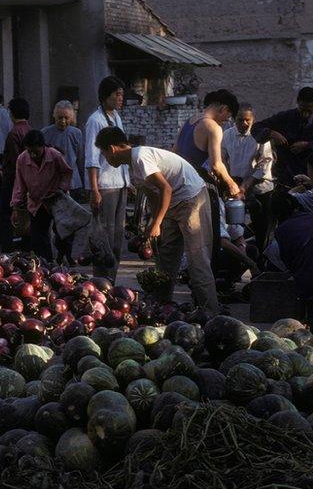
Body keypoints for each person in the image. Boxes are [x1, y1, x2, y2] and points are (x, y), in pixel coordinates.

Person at [95, 127, 220, 313]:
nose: (105, 158)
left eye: (104, 153)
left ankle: (211, 314)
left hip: (191, 199)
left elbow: (166, 189)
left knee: (198, 263)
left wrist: (157, 223)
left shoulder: (139, 157)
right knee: (165, 260)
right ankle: (162, 308)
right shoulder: (134, 167)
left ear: (112, 149)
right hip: (172, 204)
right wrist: (152, 224)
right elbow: (154, 197)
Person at [83, 77, 131, 280]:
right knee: (104, 237)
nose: (120, 98)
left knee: (118, 237)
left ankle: (112, 280)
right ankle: (101, 282)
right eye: (116, 94)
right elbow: (92, 158)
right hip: (104, 185)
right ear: (105, 97)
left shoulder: (117, 117)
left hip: (120, 183)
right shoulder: (95, 120)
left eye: (122, 94)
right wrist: (94, 190)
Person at [251, 87, 313, 185]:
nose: (305, 115)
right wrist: (271, 133)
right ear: (297, 102)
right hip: (288, 173)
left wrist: (308, 145)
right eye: (302, 110)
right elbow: (256, 127)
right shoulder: (285, 117)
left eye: (309, 111)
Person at [12, 130, 73, 261]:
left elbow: (67, 173)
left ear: (43, 147)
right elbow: (19, 184)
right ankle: (47, 264)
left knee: (63, 234)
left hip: (56, 200)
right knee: (39, 238)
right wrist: (16, 206)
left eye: (36, 152)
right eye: (30, 152)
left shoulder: (55, 155)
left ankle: (64, 256)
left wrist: (61, 189)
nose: (33, 155)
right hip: (36, 203)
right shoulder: (22, 159)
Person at [173, 89, 242, 199]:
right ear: (223, 109)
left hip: (177, 182)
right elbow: (216, 165)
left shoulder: (189, 121)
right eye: (227, 117)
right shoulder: (213, 128)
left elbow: (174, 152)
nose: (224, 122)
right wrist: (231, 184)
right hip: (193, 186)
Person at [221, 104, 274, 246]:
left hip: (259, 187)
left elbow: (264, 163)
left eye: (247, 120)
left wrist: (245, 186)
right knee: (235, 226)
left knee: (262, 228)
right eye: (240, 120)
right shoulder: (227, 135)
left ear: (253, 120)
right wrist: (230, 182)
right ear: (234, 120)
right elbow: (222, 160)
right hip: (235, 186)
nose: (244, 123)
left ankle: (263, 257)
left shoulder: (260, 135)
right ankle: (240, 256)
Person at [0, 98, 32, 251]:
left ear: (11, 113)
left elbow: (14, 161)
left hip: (13, 181)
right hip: (29, 182)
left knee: (6, 216)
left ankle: (7, 248)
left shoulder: (14, 133)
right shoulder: (30, 130)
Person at [42, 100, 85, 198]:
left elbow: (81, 159)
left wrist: (84, 182)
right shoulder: (45, 133)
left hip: (73, 182)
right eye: (60, 118)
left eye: (66, 118)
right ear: (54, 116)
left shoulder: (76, 133)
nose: (63, 121)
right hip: (53, 182)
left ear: (71, 118)